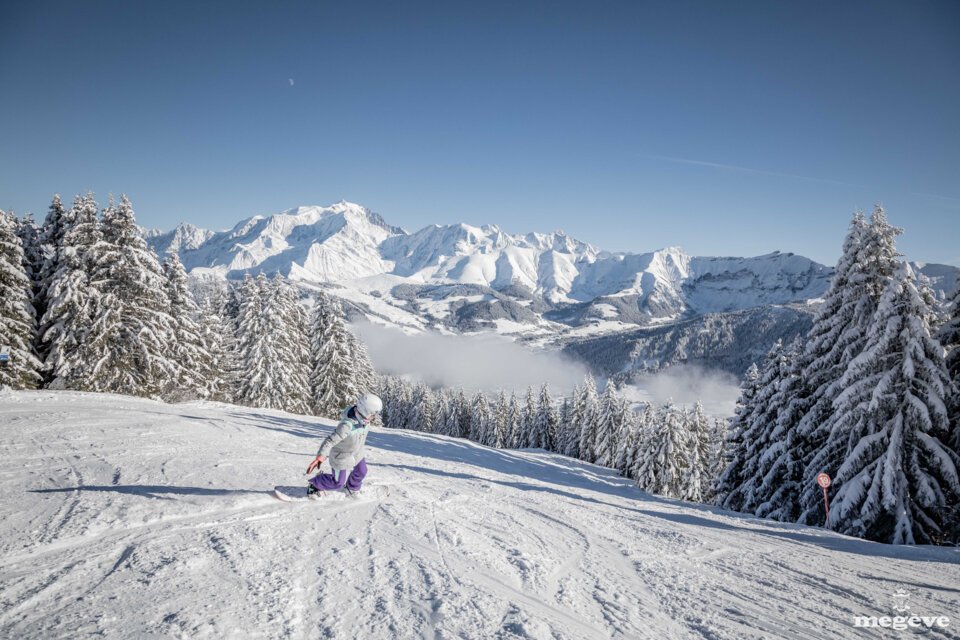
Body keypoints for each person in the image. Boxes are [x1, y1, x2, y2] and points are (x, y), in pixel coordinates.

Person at [305, 393, 383, 497]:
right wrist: (321, 456)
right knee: (337, 483)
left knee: (362, 471)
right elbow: (330, 441)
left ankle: (352, 488)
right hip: (341, 456)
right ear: (364, 410)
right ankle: (315, 484)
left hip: (356, 452)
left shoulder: (364, 420)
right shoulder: (347, 426)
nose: (373, 417)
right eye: (372, 413)